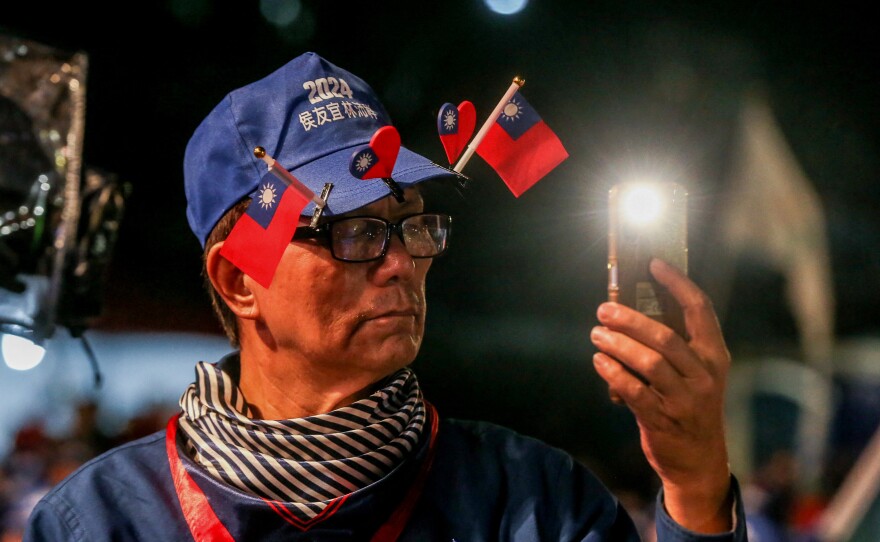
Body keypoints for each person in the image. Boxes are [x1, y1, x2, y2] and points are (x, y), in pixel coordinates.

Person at [24, 52, 747, 541]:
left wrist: (694, 487)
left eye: (413, 225)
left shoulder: (531, 502)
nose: (401, 262)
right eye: (356, 231)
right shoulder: (102, 520)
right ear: (239, 279)